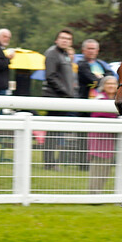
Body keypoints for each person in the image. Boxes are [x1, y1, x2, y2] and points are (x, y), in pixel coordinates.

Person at [42, 29, 76, 171]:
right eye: (62, 38)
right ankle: (49, 163)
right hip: (55, 97)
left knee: (57, 132)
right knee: (52, 133)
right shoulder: (52, 54)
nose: (65, 40)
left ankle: (52, 162)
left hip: (64, 97)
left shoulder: (65, 54)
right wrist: (66, 92)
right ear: (56, 40)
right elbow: (50, 76)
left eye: (68, 39)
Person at [88, 76, 119, 195]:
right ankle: (93, 194)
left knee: (106, 167)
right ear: (103, 86)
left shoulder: (119, 98)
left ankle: (99, 192)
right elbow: (98, 113)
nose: (111, 86)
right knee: (97, 165)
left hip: (111, 139)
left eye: (113, 83)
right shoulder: (99, 98)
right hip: (98, 137)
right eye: (108, 83)